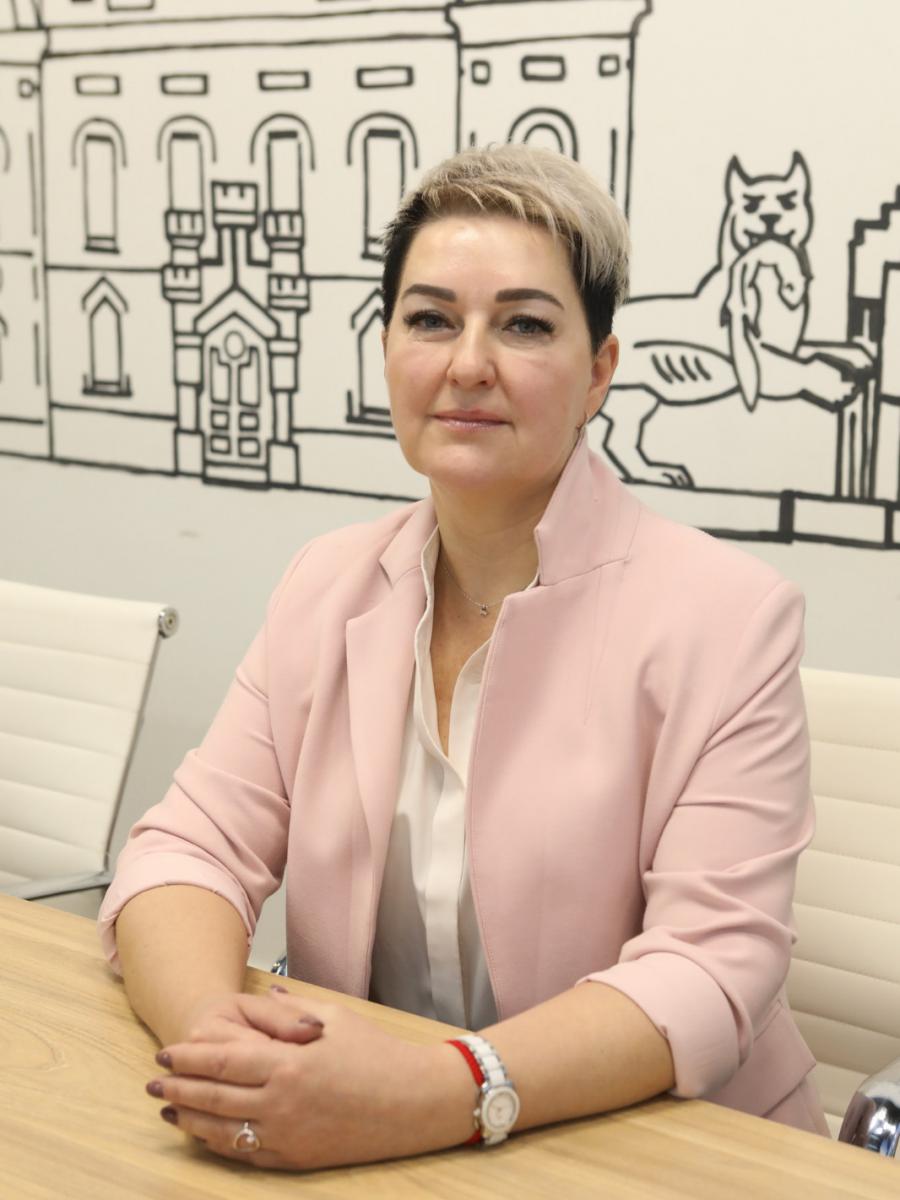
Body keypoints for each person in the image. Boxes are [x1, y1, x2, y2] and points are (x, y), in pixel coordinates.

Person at [98, 144, 829, 1170]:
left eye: (525, 325)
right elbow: (187, 851)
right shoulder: (324, 585)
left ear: (599, 372)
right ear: (387, 346)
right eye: (431, 319)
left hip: (660, 1155)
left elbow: (710, 967)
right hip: (367, 1149)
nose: (468, 363)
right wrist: (219, 1050)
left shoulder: (730, 617)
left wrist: (433, 1093)